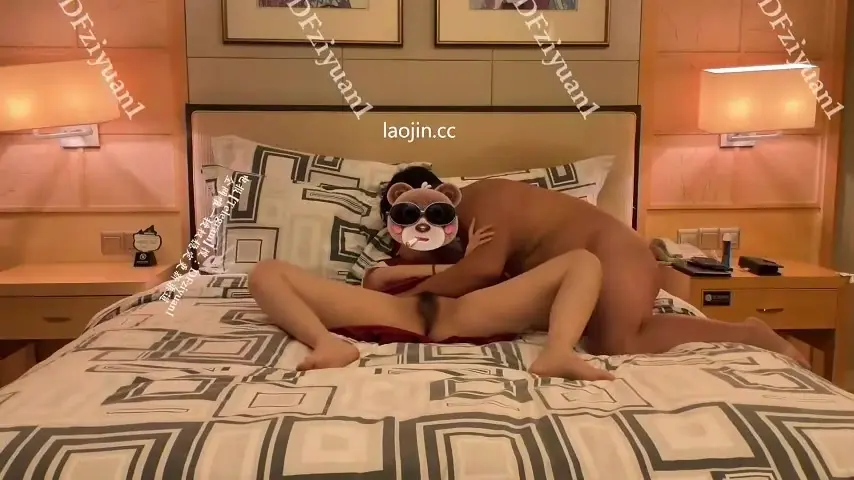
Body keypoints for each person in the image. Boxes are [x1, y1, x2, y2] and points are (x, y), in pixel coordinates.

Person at [248, 167, 612, 380]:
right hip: (395, 312)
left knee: (583, 261)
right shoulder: (382, 269)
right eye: (408, 215)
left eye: (434, 214)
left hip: (466, 312)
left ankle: (558, 352)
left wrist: (470, 258)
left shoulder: (469, 257)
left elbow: (495, 279)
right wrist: (459, 264)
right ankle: (327, 344)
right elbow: (376, 282)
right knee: (266, 272)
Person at [405, 178, 809, 366]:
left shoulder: (483, 200)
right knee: (608, 338)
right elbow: (458, 268)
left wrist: (405, 299)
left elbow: (481, 270)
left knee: (616, 343)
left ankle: (750, 335)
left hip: (615, 254)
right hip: (587, 271)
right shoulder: (458, 229)